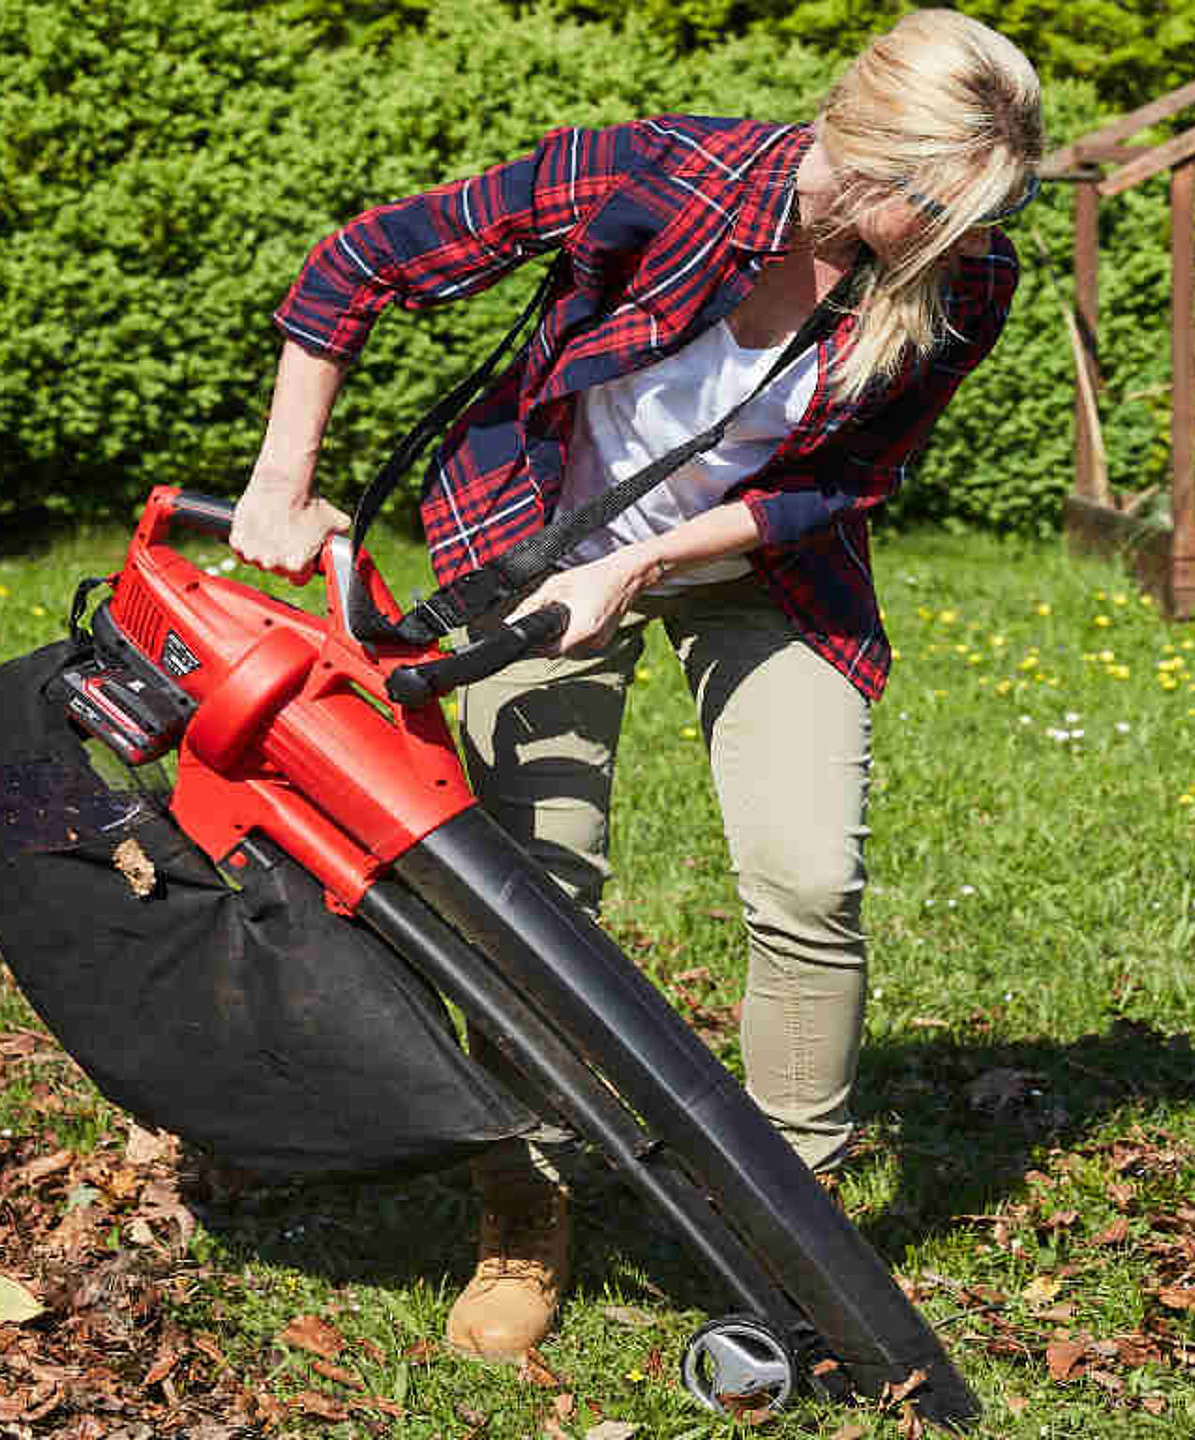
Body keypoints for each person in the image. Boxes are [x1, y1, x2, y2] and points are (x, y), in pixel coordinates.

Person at [229, 7, 1044, 1363]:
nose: (970, 244)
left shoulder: (968, 277)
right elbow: (357, 265)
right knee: (530, 895)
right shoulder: (650, 176)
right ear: (864, 150)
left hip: (755, 571)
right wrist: (282, 481)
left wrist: (650, 560)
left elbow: (848, 477)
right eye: (944, 212)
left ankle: (801, 1219)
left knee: (810, 874)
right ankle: (526, 1208)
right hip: (534, 542)